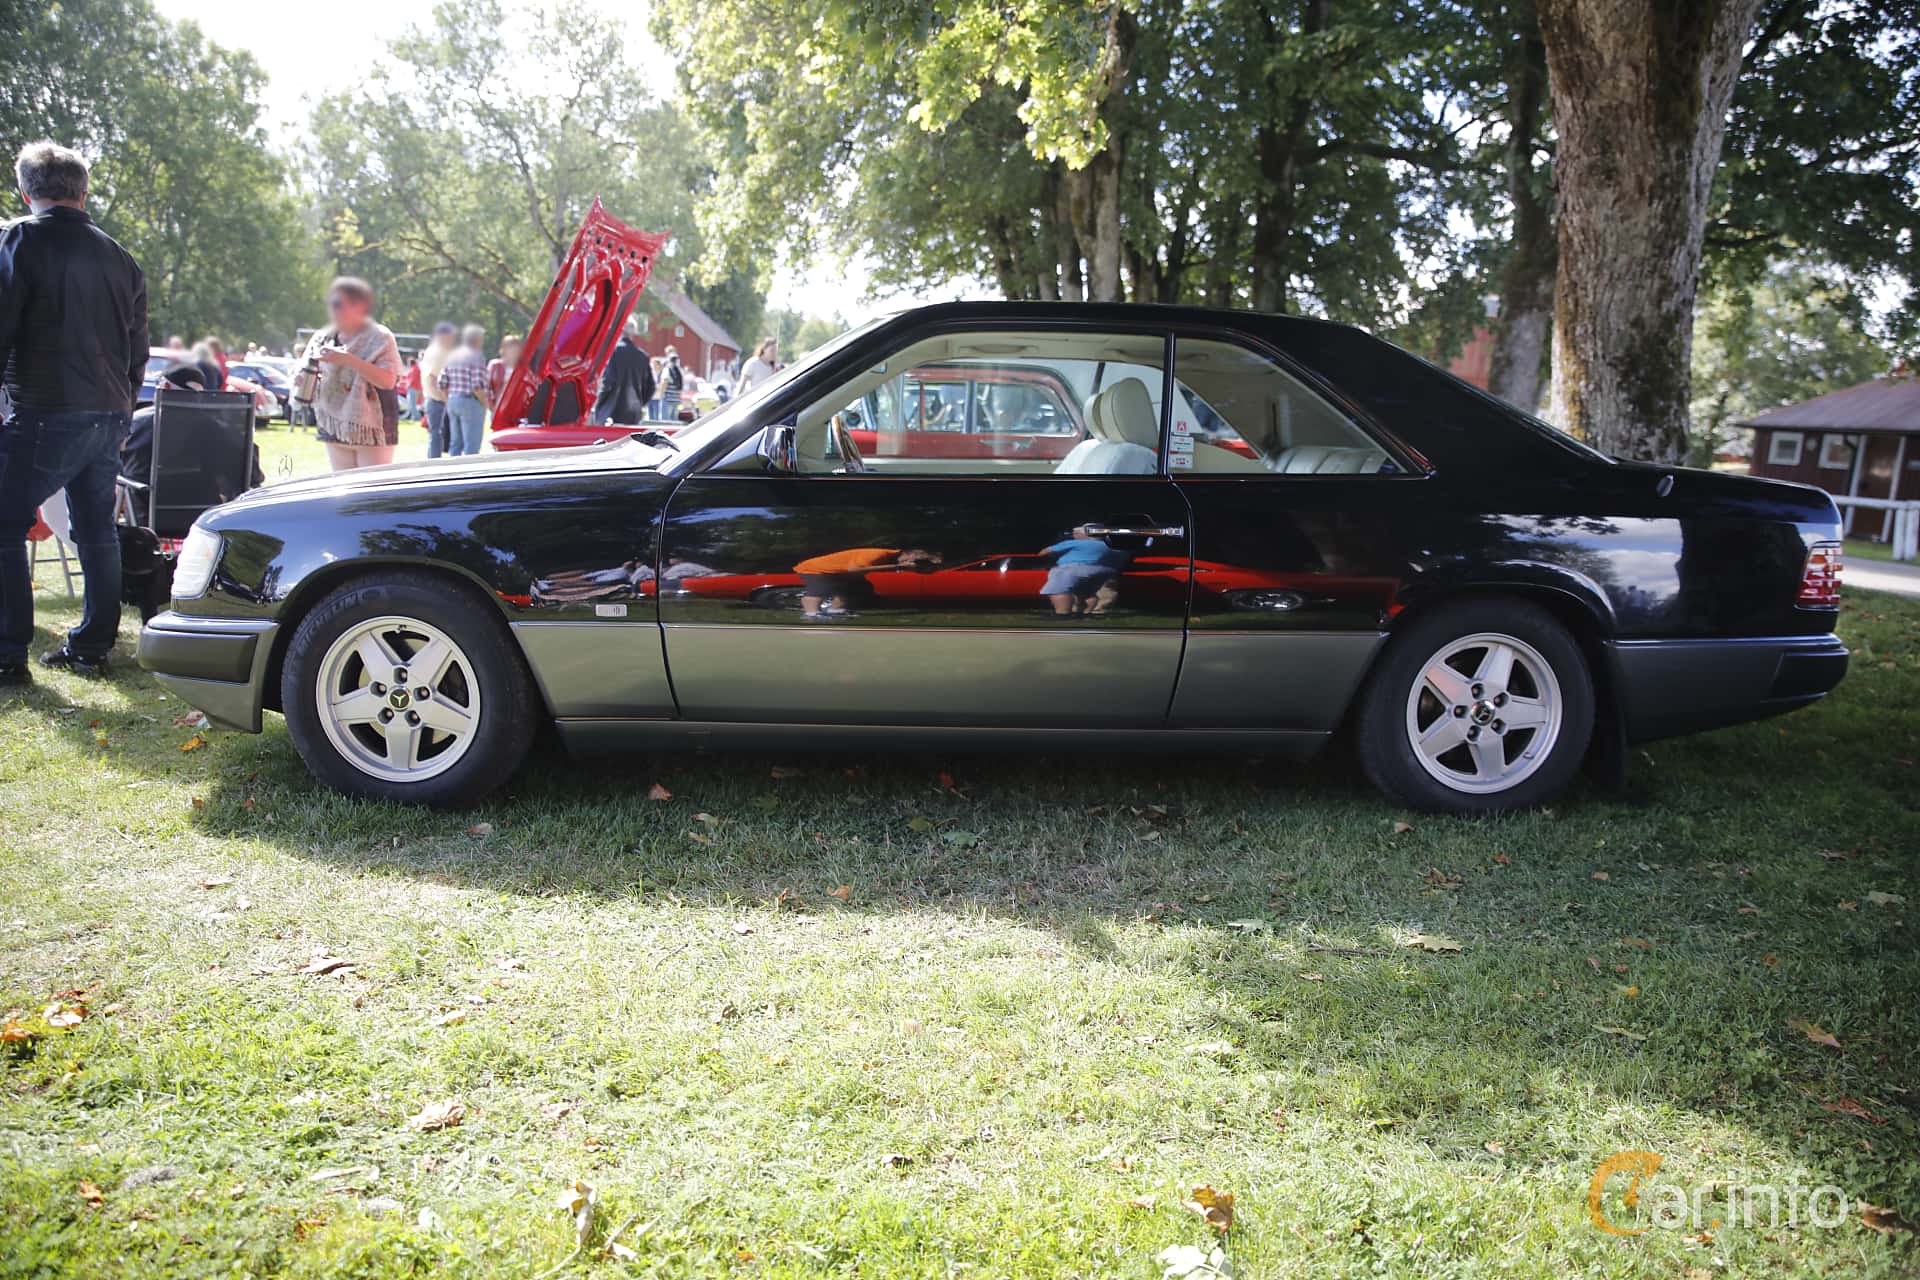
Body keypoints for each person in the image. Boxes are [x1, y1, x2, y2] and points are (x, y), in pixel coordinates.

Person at [0, 141, 147, 683]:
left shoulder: (19, 238)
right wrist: (124, 409)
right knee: (95, 530)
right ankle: (90, 647)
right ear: (83, 192)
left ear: (26, 191)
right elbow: (138, 349)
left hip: (45, 406)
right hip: (106, 410)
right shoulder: (121, 256)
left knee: (5, 526)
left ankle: (7, 653)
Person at [297, 276, 401, 471]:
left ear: (360, 306)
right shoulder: (322, 336)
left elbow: (388, 381)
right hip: (334, 423)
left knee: (369, 492)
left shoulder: (381, 337)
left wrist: (348, 359)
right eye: (331, 304)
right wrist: (300, 378)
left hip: (372, 429)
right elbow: (303, 368)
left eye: (338, 304)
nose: (333, 309)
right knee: (343, 492)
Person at [791, 546, 939, 619]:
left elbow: (854, 571)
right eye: (913, 559)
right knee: (820, 590)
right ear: (908, 554)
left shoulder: (891, 558)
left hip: (839, 571)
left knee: (857, 588)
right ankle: (811, 614)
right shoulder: (879, 554)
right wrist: (897, 566)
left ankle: (835, 611)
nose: (912, 562)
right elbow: (854, 569)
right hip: (815, 569)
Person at [1038, 526, 1131, 616]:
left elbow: (1044, 553)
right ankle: (1084, 614)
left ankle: (1062, 614)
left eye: (1076, 533)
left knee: (1059, 590)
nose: (1074, 535)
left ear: (1085, 535)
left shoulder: (1075, 543)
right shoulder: (1115, 547)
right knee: (1087, 593)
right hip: (1105, 571)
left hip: (1074, 568)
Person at [438, 324, 490, 456]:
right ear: (477, 340)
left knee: (455, 443)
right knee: (471, 445)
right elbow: (477, 386)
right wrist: (486, 404)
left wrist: (448, 400)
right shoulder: (476, 356)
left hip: (453, 400)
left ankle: (453, 473)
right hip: (470, 402)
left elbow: (442, 383)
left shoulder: (452, 355)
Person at [592, 317, 654, 425]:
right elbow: (651, 387)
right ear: (633, 334)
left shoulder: (613, 352)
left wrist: (600, 403)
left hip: (612, 412)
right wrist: (640, 403)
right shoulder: (643, 356)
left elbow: (608, 382)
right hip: (634, 413)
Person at [418, 322, 456, 457]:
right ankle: (434, 462)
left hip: (433, 398)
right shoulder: (439, 352)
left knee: (436, 434)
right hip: (437, 399)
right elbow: (434, 377)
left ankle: (433, 460)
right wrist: (446, 399)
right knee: (437, 434)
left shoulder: (432, 350)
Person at [487, 333, 521, 416]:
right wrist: (492, 407)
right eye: (509, 346)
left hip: (516, 411)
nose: (513, 350)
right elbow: (486, 388)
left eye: (515, 346)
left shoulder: (522, 367)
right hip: (498, 409)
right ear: (504, 349)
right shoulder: (495, 365)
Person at [659, 346, 685, 421]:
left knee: (665, 422)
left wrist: (661, 395)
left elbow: (664, 381)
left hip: (668, 399)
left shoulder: (667, 369)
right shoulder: (680, 371)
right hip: (676, 399)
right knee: (674, 421)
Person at [401, 356, 422, 420]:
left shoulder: (415, 369)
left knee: (412, 405)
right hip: (413, 388)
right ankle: (413, 417)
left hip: (413, 388)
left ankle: (417, 417)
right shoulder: (414, 368)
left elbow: (413, 379)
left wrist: (407, 385)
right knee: (410, 404)